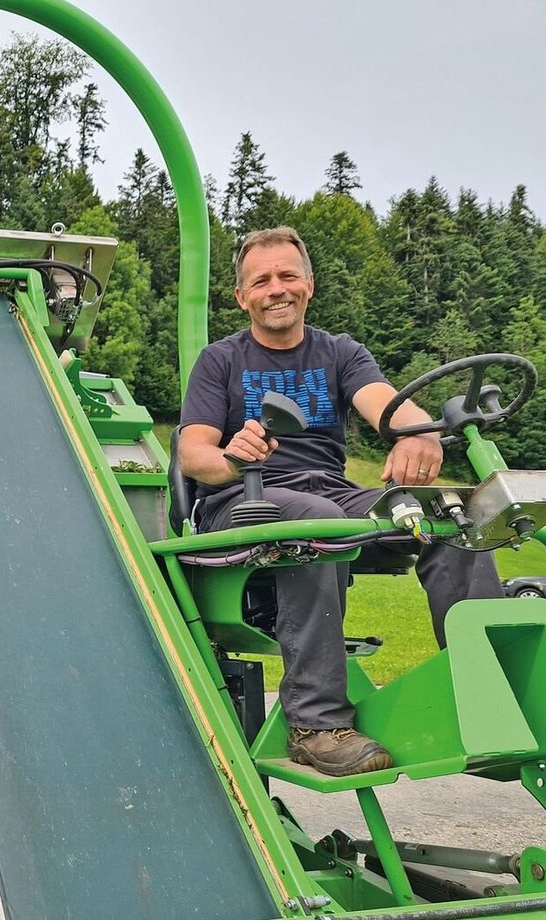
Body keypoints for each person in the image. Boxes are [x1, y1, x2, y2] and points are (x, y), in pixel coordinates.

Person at [177, 227, 502, 777]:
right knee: (318, 522)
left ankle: (487, 689)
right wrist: (234, 457)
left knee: (455, 514)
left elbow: (387, 406)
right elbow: (192, 454)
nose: (276, 289)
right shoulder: (221, 361)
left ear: (308, 284)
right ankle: (315, 723)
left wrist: (417, 434)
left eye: (287, 276)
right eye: (261, 280)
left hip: (331, 493)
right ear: (242, 297)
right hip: (242, 496)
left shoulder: (339, 352)